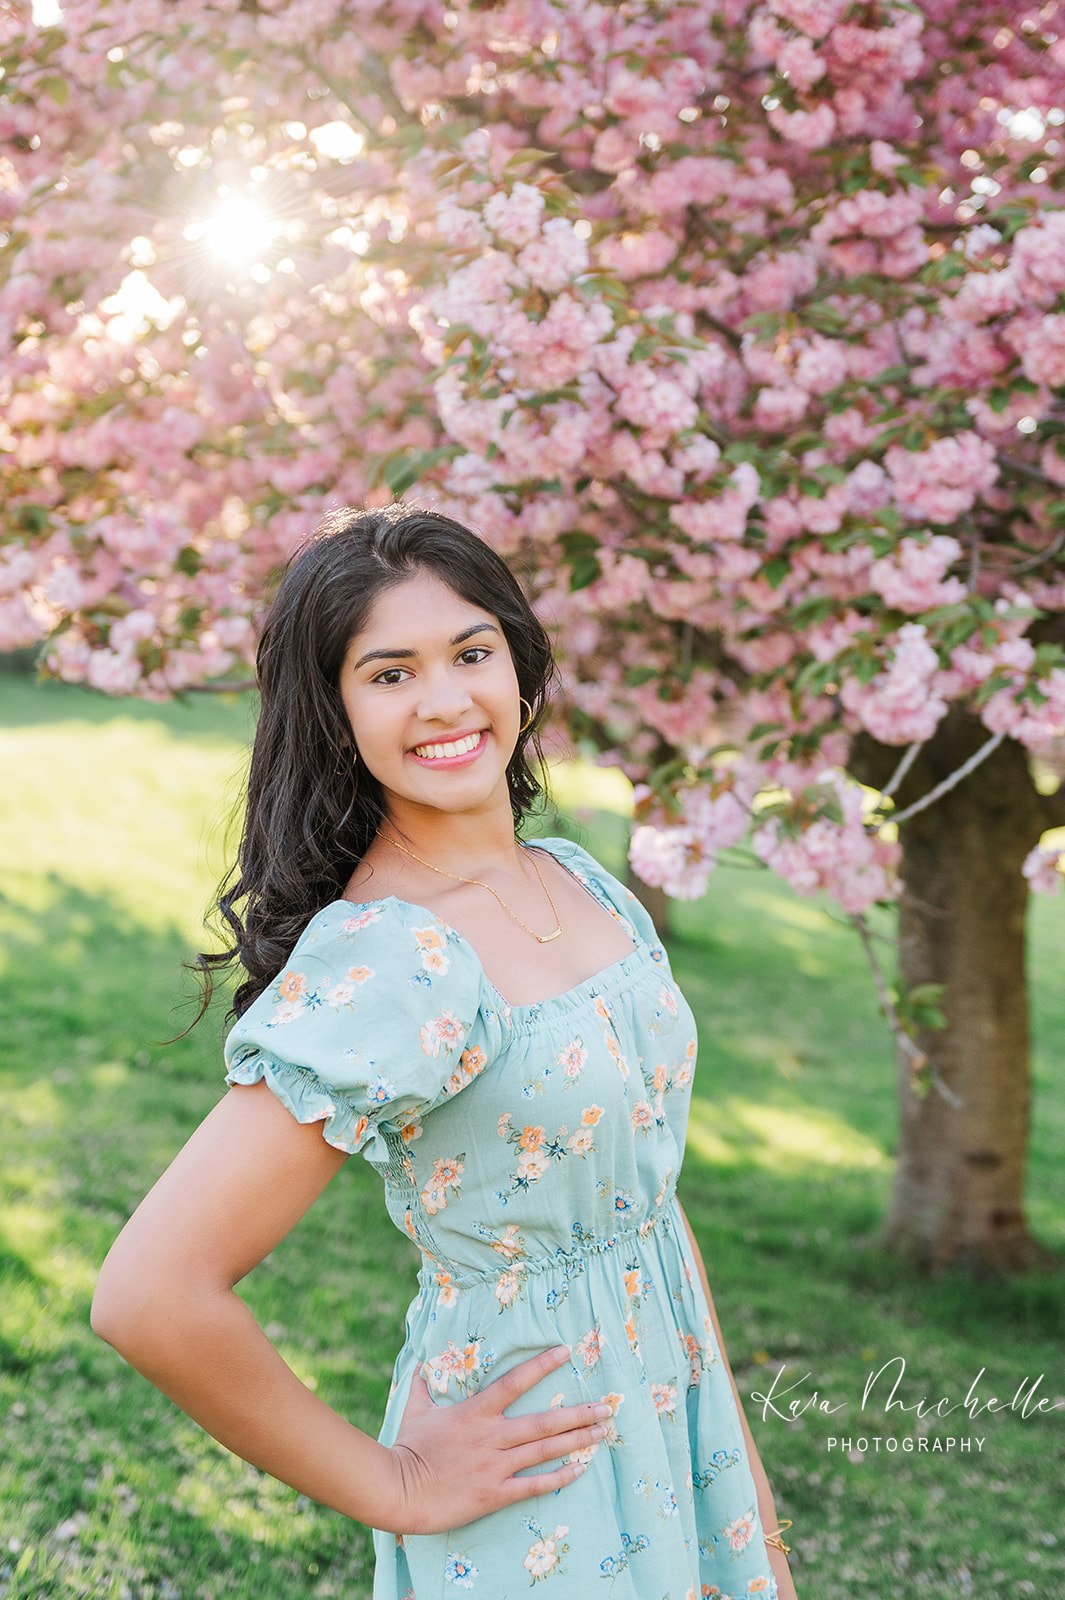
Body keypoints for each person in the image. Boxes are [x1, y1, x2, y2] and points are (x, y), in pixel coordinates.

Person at [91, 506, 797, 1599]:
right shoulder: (394, 962)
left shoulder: (580, 880)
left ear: (519, 662)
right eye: (389, 672)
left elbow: (647, 1201)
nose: (445, 700)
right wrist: (398, 1484)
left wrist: (740, 1497)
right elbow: (149, 1293)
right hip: (537, 1468)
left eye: (471, 652)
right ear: (333, 713)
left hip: (677, 1422)